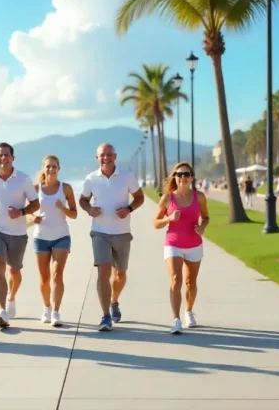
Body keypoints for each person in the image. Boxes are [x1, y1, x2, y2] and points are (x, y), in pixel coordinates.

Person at [79, 143, 144, 331]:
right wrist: (89, 209)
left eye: (109, 155)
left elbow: (139, 197)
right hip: (99, 232)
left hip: (122, 233)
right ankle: (105, 316)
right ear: (97, 158)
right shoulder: (91, 179)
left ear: (115, 157)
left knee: (120, 274)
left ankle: (114, 301)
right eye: (102, 155)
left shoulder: (127, 177)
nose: (105, 158)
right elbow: (83, 200)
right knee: (103, 272)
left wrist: (129, 208)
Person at [0, 142, 40, 328]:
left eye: (6, 155)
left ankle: (11, 297)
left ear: (13, 158)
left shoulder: (23, 179)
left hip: (18, 233)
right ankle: (2, 311)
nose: (3, 158)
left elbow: (35, 204)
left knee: (14, 271)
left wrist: (21, 212)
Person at [153, 162, 209, 334]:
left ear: (192, 177)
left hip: (194, 244)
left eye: (186, 174)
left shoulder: (199, 197)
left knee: (190, 283)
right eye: (179, 174)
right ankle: (175, 319)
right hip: (173, 243)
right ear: (174, 177)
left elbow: (206, 217)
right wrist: (169, 218)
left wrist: (202, 227)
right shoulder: (167, 198)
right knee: (176, 280)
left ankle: (189, 311)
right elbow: (156, 223)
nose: (182, 177)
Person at [29, 155, 77, 327]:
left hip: (61, 237)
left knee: (57, 274)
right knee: (44, 278)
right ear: (44, 168)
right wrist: (33, 217)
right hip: (41, 237)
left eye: (54, 166)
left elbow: (74, 214)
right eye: (48, 166)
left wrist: (62, 207)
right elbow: (28, 210)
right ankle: (46, 308)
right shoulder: (35, 189)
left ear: (59, 168)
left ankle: (56, 312)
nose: (51, 169)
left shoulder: (66, 189)